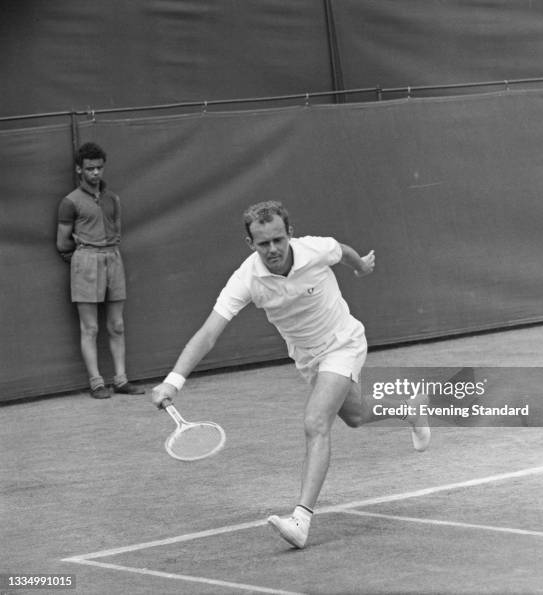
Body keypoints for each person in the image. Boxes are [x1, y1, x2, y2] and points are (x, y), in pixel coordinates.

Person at [152, 201, 430, 548]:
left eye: (278, 240)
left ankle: (301, 519)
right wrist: (173, 380)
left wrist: (360, 266)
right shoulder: (246, 278)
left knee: (315, 422)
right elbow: (209, 333)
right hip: (308, 358)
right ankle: (409, 408)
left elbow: (341, 251)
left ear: (290, 234)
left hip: (343, 342)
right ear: (250, 244)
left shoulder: (314, 248)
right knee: (356, 416)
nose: (272, 249)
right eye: (263, 243)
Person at [56, 142, 144, 399]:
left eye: (99, 168)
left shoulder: (112, 198)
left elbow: (116, 230)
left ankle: (120, 380)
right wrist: (84, 259)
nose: (95, 173)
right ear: (79, 170)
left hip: (113, 259)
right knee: (90, 328)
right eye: (90, 168)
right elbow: (62, 243)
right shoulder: (69, 202)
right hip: (85, 261)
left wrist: (105, 253)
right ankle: (96, 382)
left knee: (116, 325)